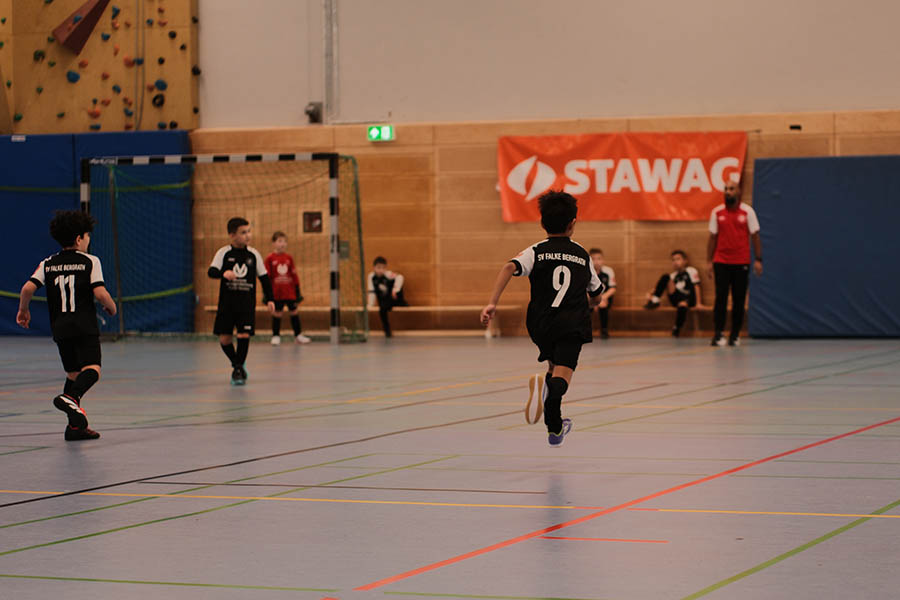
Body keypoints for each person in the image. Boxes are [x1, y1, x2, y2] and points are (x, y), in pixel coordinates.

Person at [481, 191, 604, 447]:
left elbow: (508, 267)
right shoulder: (581, 254)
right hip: (572, 322)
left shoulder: (537, 250)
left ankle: (555, 428)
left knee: (553, 368)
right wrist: (594, 302)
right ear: (573, 223)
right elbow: (596, 291)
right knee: (563, 376)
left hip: (541, 323)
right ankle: (547, 395)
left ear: (542, 223)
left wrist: (493, 302)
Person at [16, 210, 117, 441]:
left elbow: (27, 289)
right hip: (84, 325)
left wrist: (23, 310)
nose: (89, 240)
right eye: (88, 236)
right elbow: (100, 293)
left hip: (60, 327)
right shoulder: (90, 261)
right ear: (80, 238)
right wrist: (111, 307)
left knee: (73, 374)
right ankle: (69, 399)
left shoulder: (48, 263)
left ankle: (74, 427)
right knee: (92, 370)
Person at [208, 217, 275, 385]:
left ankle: (238, 371)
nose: (247, 235)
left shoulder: (254, 254)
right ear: (232, 235)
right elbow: (211, 271)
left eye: (249, 231)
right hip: (227, 304)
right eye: (243, 232)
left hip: (246, 304)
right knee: (224, 339)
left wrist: (270, 299)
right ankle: (238, 363)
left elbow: (264, 278)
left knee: (243, 334)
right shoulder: (224, 253)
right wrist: (224, 273)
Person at [706, 179, 763, 346]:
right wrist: (709, 261)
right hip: (721, 261)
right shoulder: (717, 212)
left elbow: (755, 237)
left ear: (738, 192)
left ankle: (735, 334)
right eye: (726, 189)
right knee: (721, 298)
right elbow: (712, 238)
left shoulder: (747, 212)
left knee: (738, 299)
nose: (728, 192)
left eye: (731, 189)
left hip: (741, 262)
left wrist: (758, 259)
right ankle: (718, 333)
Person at [264, 231, 311, 346]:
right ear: (274, 243)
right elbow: (267, 277)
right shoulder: (270, 258)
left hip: (289, 292)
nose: (283, 244)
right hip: (277, 293)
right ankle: (275, 336)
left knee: (294, 312)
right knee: (277, 313)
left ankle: (298, 335)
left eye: (285, 241)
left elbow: (294, 275)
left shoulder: (289, 258)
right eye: (280, 241)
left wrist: (297, 290)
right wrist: (267, 293)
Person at [643, 250, 704, 337]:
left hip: (689, 298)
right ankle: (655, 300)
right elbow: (658, 288)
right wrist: (650, 294)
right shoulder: (673, 275)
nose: (675, 262)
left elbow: (696, 286)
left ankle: (677, 327)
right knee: (665, 277)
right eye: (673, 260)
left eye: (678, 259)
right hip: (677, 298)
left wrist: (698, 303)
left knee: (682, 305)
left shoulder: (691, 271)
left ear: (685, 261)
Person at [367, 257, 407, 338]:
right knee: (382, 310)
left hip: (393, 298)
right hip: (384, 301)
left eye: (383, 268)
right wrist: (370, 304)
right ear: (374, 267)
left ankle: (402, 302)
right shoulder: (371, 277)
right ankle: (387, 330)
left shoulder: (388, 274)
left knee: (396, 294)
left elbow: (400, 277)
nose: (381, 270)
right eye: (378, 267)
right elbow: (371, 291)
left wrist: (395, 289)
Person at [588, 248, 616, 339]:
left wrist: (602, 299)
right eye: (593, 259)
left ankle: (604, 330)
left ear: (603, 260)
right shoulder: (587, 271)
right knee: (586, 307)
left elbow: (612, 289)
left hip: (605, 297)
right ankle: (586, 330)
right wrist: (594, 301)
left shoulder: (608, 271)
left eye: (599, 259)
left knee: (603, 306)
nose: (596, 262)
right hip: (591, 297)